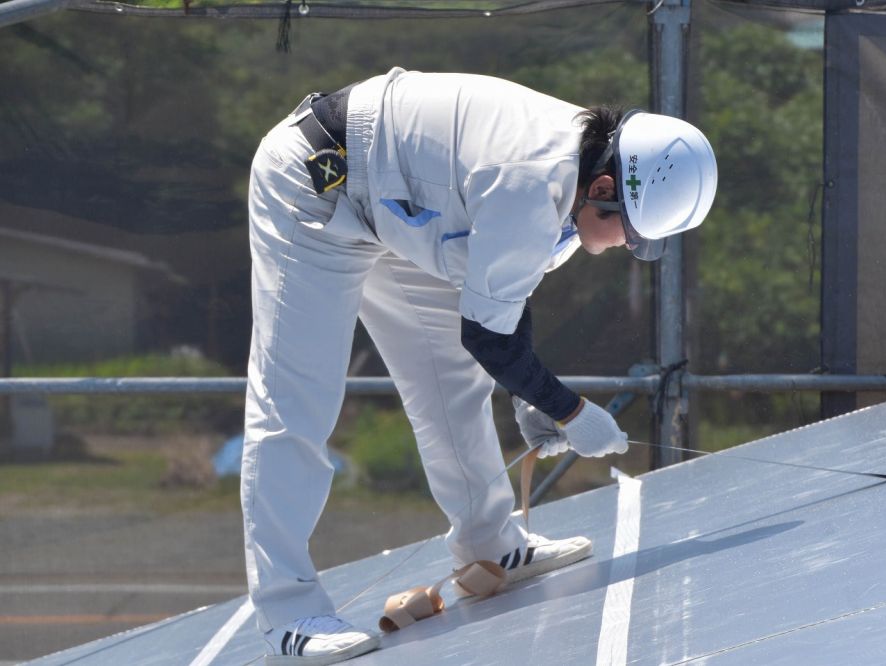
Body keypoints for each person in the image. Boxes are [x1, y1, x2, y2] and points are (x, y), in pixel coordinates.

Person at [241, 67, 717, 664]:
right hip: (316, 183)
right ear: (600, 188)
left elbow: (504, 300)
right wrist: (568, 410)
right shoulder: (528, 180)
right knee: (297, 398)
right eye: (627, 228)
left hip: (394, 201)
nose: (626, 244)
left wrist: (532, 397)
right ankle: (289, 614)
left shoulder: (571, 179)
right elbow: (489, 339)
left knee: (451, 384)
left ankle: (489, 547)